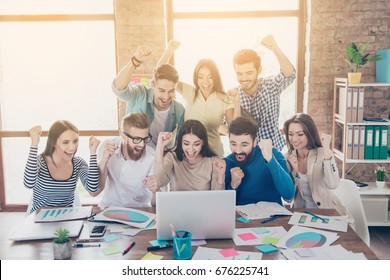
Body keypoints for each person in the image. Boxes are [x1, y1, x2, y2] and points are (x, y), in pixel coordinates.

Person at [157, 40, 241, 157]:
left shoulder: (224, 99)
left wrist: (237, 103)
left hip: (213, 155)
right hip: (189, 155)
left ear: (215, 78)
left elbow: (235, 132)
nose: (205, 82)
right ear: (196, 78)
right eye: (201, 77)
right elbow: (161, 75)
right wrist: (169, 51)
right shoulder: (190, 91)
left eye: (210, 77)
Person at [112, 44, 185, 148]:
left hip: (158, 159)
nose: (166, 97)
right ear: (152, 85)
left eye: (171, 91)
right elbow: (118, 89)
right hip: (132, 155)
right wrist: (135, 61)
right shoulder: (140, 94)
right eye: (162, 90)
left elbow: (178, 143)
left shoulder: (179, 110)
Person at [231, 35, 296, 151]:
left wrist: (275, 48)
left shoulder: (270, 86)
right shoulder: (233, 96)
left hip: (275, 153)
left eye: (249, 72)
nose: (244, 78)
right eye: (239, 73)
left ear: (259, 70)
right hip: (248, 157)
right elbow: (222, 125)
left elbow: (290, 74)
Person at [23, 120, 100, 214]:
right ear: (54, 143)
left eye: (75, 141)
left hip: (66, 219)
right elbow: (28, 184)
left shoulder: (78, 163)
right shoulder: (40, 162)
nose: (72, 147)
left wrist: (93, 153)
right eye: (65, 142)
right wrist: (34, 144)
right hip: (40, 220)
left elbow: (92, 188)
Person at [283, 113, 347, 215]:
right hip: (301, 214)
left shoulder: (323, 154)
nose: (294, 139)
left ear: (310, 134)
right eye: (291, 134)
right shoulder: (287, 158)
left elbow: (333, 184)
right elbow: (288, 198)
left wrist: (327, 150)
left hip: (327, 212)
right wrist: (295, 172)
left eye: (300, 134)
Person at [224, 117, 294, 206]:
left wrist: (270, 160)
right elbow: (224, 207)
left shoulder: (273, 154)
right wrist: (233, 186)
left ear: (255, 142)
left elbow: (288, 196)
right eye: (233, 144)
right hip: (241, 218)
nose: (238, 150)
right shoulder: (227, 163)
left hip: (272, 216)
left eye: (244, 144)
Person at [93, 112, 158, 207]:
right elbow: (97, 190)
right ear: (123, 135)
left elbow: (155, 205)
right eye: (137, 139)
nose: (142, 145)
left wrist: (156, 191)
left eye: (145, 139)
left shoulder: (152, 157)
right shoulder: (106, 147)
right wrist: (103, 161)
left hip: (139, 210)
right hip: (108, 208)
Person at [154, 119, 226, 191]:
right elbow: (159, 182)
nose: (191, 150)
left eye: (196, 144)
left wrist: (220, 176)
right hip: (178, 202)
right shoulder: (172, 158)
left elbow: (217, 198)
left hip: (203, 202)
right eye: (186, 143)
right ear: (180, 142)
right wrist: (160, 147)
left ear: (203, 142)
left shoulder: (212, 161)